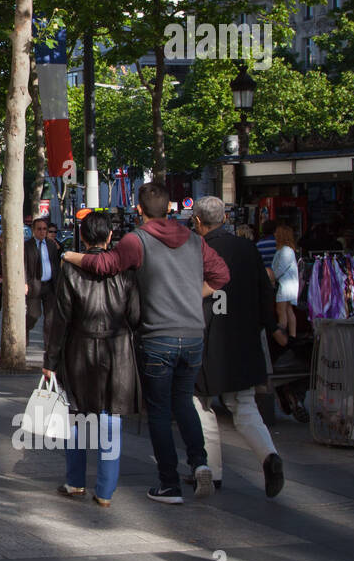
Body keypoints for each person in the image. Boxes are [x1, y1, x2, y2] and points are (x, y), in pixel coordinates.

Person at [61, 181, 231, 504]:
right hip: (194, 334)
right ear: (169, 208)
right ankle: (199, 462)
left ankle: (169, 483)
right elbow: (222, 275)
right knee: (184, 402)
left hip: (158, 337)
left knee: (158, 409)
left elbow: (104, 265)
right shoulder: (195, 240)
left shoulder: (137, 240)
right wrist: (194, 298)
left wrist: (69, 254)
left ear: (139, 210)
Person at [190, 197, 286, 498]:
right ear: (225, 219)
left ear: (197, 221)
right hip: (242, 339)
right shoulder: (248, 249)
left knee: (202, 405)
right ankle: (269, 455)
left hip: (204, 338)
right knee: (243, 406)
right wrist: (270, 328)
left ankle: (212, 472)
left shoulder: (195, 250)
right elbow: (265, 293)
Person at [45, 210, 141, 506]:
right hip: (118, 351)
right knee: (111, 418)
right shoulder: (124, 271)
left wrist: (50, 361)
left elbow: (59, 319)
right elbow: (136, 315)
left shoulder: (71, 271)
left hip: (79, 350)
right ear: (110, 235)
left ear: (82, 237)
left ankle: (75, 482)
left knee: (77, 417)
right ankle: (105, 491)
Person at [25, 216, 62, 339]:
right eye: (39, 229)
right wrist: (24, 283)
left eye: (45, 229)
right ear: (33, 230)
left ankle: (49, 345)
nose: (42, 231)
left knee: (50, 318)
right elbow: (23, 265)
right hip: (34, 285)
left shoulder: (51, 245)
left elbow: (55, 264)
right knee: (33, 314)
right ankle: (24, 330)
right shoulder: (27, 246)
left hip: (49, 285)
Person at [272, 223, 300, 339]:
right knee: (288, 310)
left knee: (281, 311)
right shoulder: (287, 250)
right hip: (289, 285)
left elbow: (280, 269)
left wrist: (272, 277)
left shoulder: (285, 251)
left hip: (285, 286)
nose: (275, 235)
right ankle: (292, 336)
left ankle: (283, 336)